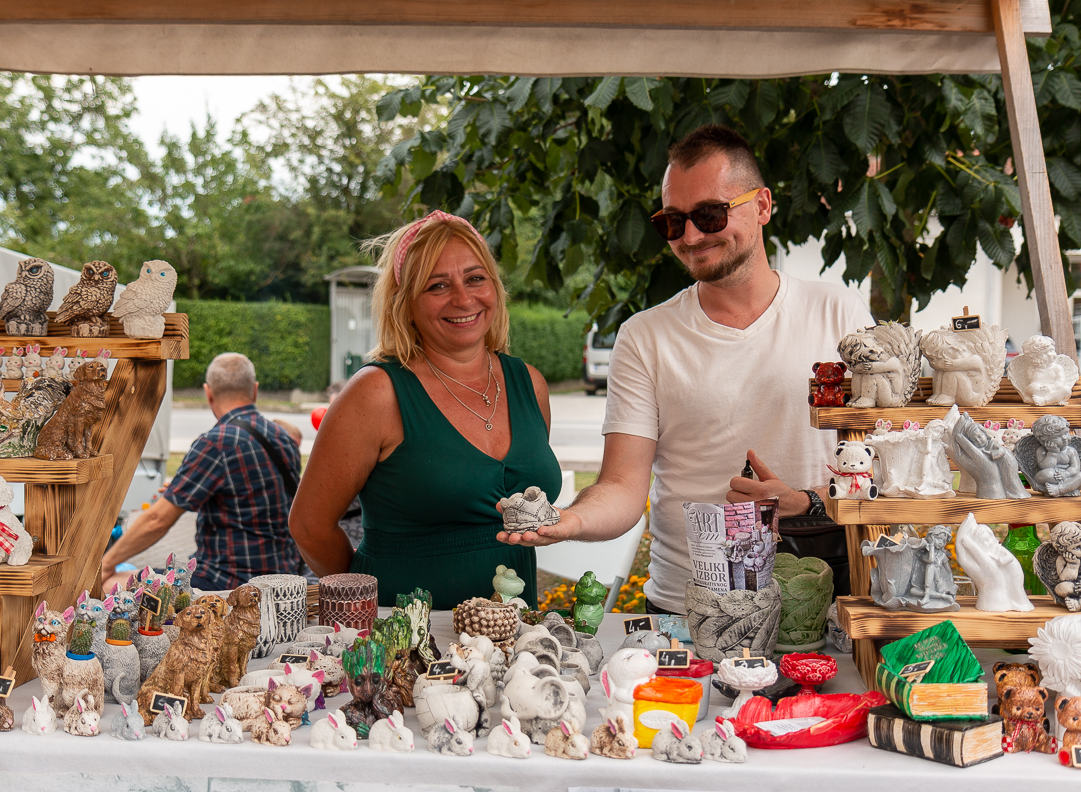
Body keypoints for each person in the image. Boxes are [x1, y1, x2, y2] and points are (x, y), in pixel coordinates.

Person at [500, 124, 874, 614]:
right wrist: (571, 521)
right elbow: (623, 487)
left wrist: (806, 503)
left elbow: (890, 465)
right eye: (672, 222)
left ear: (762, 205)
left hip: (821, 605)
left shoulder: (840, 313)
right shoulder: (645, 337)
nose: (691, 236)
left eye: (710, 214)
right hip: (687, 614)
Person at [289, 210, 561, 607]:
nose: (463, 299)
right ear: (405, 304)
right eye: (437, 285)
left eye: (475, 278)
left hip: (513, 628)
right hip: (405, 631)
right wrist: (365, 601)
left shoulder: (529, 384)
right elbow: (309, 526)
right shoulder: (376, 392)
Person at [100, 352, 302, 591]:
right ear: (255, 390)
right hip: (284, 579)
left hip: (226, 582)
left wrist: (106, 564)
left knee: (111, 582)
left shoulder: (216, 443)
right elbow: (259, 503)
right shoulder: (283, 438)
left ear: (208, 393)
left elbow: (157, 520)